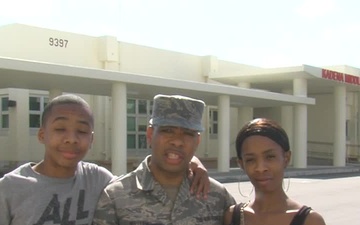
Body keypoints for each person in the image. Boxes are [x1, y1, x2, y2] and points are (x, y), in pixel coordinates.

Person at [0, 94, 210, 225]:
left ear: (91, 139)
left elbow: (135, 185)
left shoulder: (98, 179)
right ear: (42, 134)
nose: (71, 139)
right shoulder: (10, 188)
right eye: (60, 129)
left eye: (81, 131)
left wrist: (192, 163)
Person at [92, 94, 236, 225]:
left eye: (187, 133)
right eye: (168, 130)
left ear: (197, 142)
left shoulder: (217, 196)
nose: (177, 141)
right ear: (150, 134)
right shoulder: (116, 196)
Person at [224, 118, 326, 225]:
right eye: (250, 160)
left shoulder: (310, 221)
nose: (260, 168)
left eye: (270, 157)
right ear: (241, 164)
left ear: (286, 158)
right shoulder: (232, 217)